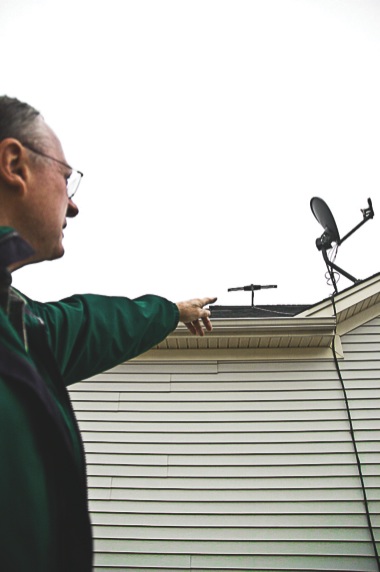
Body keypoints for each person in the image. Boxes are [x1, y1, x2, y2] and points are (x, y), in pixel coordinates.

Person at [0, 95, 216, 572]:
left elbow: (93, 323)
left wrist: (170, 311)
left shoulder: (21, 328)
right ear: (14, 164)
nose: (73, 205)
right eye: (65, 176)